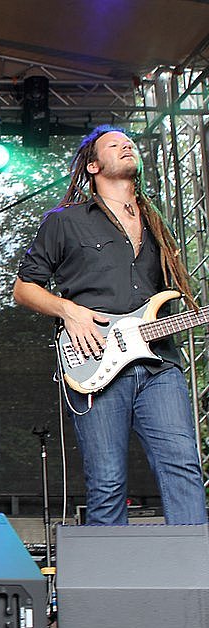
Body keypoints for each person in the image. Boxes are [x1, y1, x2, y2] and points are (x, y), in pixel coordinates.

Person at [14, 125, 207, 525]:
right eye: (114, 145)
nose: (127, 146)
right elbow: (23, 288)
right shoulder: (65, 222)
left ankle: (196, 579)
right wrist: (69, 311)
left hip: (160, 364)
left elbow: (167, 292)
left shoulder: (158, 224)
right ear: (94, 165)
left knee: (184, 469)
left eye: (129, 143)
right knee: (107, 482)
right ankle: (108, 582)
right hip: (94, 360)